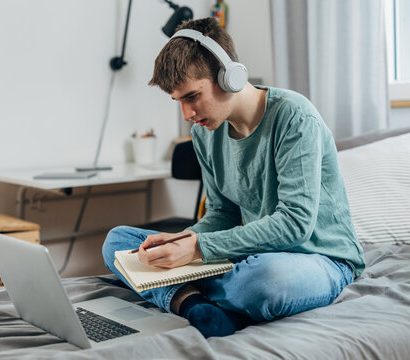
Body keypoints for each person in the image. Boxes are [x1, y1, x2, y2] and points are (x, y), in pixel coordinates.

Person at [102, 17, 365, 338]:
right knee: (117, 243)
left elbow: (296, 224)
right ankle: (194, 305)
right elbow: (223, 213)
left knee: (264, 280)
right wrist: (182, 242)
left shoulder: (295, 117)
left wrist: (198, 248)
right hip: (252, 254)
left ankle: (181, 293)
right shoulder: (204, 133)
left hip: (318, 259)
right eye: (178, 101)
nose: (187, 115)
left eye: (192, 97)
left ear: (230, 77)